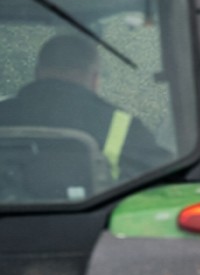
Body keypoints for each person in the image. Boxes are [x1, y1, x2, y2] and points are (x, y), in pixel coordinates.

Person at [0, 35, 164, 181]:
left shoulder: (4, 115)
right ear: (94, 77)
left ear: (37, 73)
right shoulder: (123, 126)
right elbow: (159, 184)